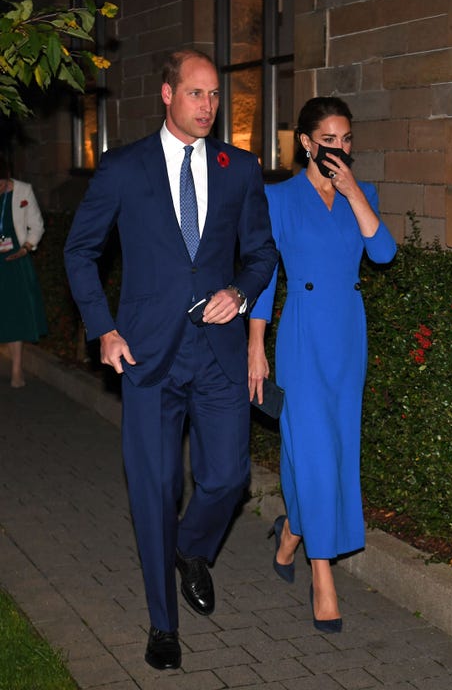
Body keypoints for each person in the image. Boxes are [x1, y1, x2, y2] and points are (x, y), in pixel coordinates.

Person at [64, 49, 277, 670]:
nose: (209, 106)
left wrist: (239, 293)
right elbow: (80, 253)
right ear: (167, 94)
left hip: (216, 355)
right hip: (145, 357)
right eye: (197, 94)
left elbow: (261, 253)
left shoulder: (239, 168)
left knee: (228, 478)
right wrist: (102, 329)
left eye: (215, 95)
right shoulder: (124, 168)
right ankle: (163, 625)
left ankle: (188, 548)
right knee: (155, 490)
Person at [248, 96, 396, 632]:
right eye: (329, 140)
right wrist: (254, 345)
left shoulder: (365, 194)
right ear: (307, 143)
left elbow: (383, 253)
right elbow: (262, 278)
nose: (340, 148)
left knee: (332, 448)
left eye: (347, 139)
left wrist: (355, 191)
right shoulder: (278, 198)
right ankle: (323, 576)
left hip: (347, 333)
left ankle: (291, 532)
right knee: (309, 447)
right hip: (303, 334)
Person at [0, 156, 47, 387]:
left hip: (14, 261)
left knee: (15, 315)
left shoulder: (23, 191)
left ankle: (17, 369)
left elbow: (37, 224)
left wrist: (27, 247)